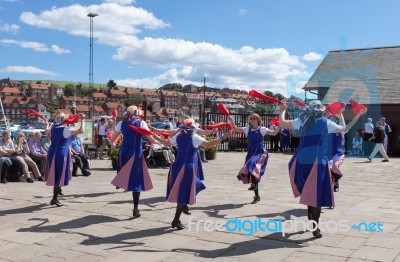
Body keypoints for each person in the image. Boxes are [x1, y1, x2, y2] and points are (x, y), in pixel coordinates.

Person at [279, 100, 365, 238]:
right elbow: (345, 129)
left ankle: (312, 221)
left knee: (309, 190)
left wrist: (282, 109)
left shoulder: (302, 120)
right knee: (316, 192)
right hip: (318, 161)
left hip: (301, 159)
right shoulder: (326, 122)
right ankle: (315, 226)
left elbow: (282, 123)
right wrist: (352, 116)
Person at [156, 118, 230, 230]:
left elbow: (166, 142)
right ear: (192, 128)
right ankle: (176, 219)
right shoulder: (194, 137)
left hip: (176, 167)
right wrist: (223, 137)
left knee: (195, 185)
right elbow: (208, 144)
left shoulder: (179, 136)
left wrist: (154, 137)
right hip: (187, 168)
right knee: (184, 193)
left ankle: (184, 207)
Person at [109, 105, 160, 218]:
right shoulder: (141, 123)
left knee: (126, 171)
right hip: (135, 153)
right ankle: (135, 209)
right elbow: (151, 139)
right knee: (136, 181)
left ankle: (121, 182)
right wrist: (163, 143)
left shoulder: (121, 123)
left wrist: (113, 146)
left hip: (123, 151)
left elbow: (111, 140)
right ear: (137, 113)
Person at [228, 113, 280, 204]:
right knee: (252, 172)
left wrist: (279, 126)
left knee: (251, 165)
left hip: (260, 152)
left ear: (258, 120)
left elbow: (274, 133)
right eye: (251, 118)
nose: (253, 119)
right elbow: (235, 128)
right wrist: (231, 120)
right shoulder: (247, 129)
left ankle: (254, 186)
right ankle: (257, 195)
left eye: (254, 118)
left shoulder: (262, 129)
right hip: (251, 153)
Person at [45, 113, 85, 206]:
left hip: (52, 152)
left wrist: (46, 124)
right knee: (59, 174)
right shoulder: (66, 129)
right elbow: (81, 130)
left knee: (56, 174)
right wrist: (82, 119)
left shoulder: (53, 127)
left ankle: (58, 191)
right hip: (61, 153)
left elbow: (46, 131)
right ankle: (54, 198)